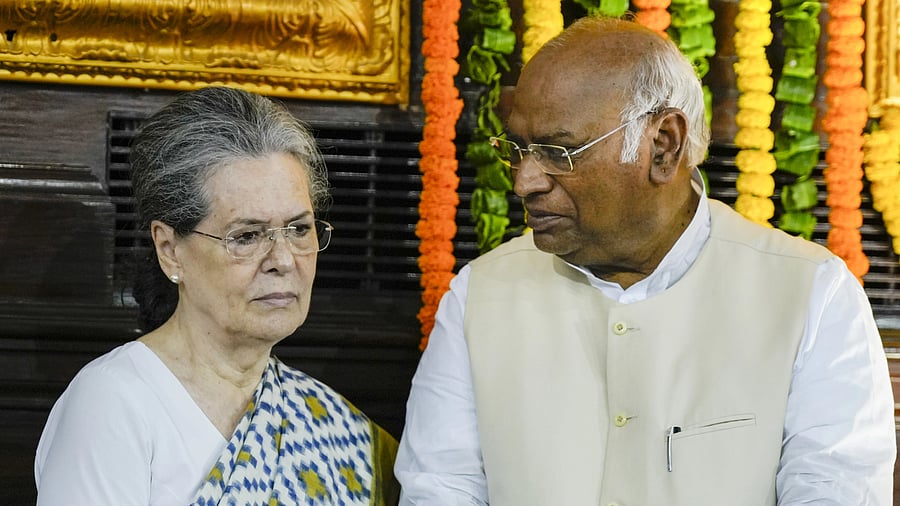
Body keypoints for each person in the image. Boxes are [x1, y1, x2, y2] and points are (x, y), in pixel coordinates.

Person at [395, 16, 896, 506]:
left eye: (560, 152)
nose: (525, 181)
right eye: (518, 149)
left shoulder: (811, 295)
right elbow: (439, 489)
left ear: (663, 145)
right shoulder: (480, 296)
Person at [34, 86, 400, 505]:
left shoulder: (334, 428)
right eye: (247, 236)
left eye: (299, 229)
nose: (283, 259)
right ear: (170, 250)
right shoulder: (115, 403)